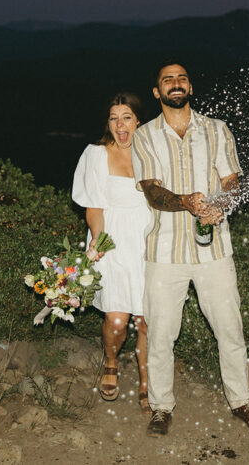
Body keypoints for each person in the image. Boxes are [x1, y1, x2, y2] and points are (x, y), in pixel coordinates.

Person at [131, 62, 249, 436]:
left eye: (181, 78)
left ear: (190, 86)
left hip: (214, 251)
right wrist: (188, 202)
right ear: (157, 92)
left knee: (230, 328)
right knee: (161, 333)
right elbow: (152, 191)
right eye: (167, 80)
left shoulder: (216, 129)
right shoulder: (144, 136)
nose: (175, 84)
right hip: (164, 252)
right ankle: (161, 408)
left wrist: (218, 206)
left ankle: (241, 401)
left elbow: (231, 182)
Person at [71, 93, 153, 414]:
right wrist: (97, 239)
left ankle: (146, 381)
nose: (120, 125)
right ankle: (111, 359)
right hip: (114, 241)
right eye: (114, 118)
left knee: (146, 321)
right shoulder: (96, 154)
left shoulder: (154, 154)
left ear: (138, 122)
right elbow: (94, 206)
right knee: (117, 320)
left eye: (127, 117)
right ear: (108, 123)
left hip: (149, 242)